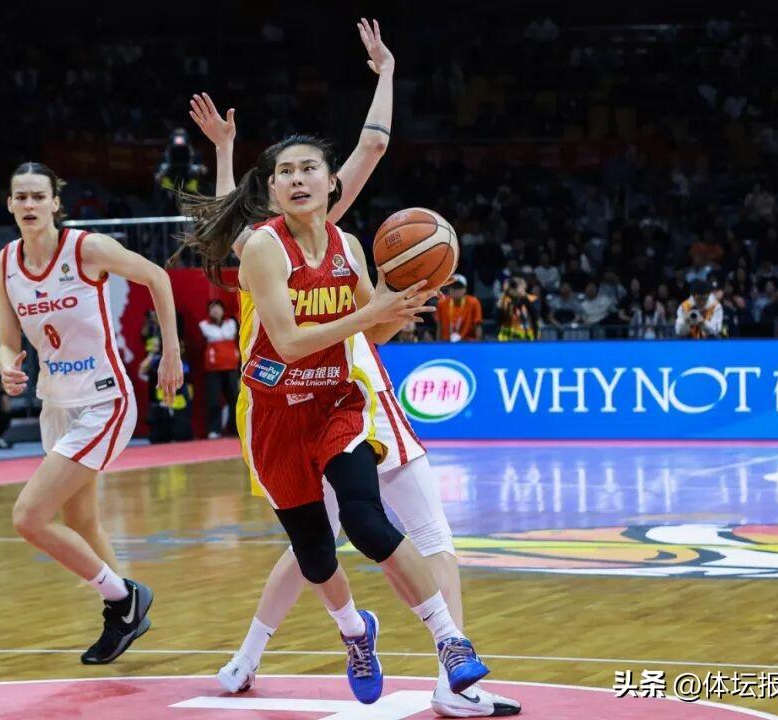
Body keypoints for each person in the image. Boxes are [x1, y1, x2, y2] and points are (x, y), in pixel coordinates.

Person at [186, 20, 516, 716]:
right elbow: (241, 249)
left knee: (368, 521)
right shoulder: (261, 247)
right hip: (273, 405)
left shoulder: (346, 240)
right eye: (285, 173)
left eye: (309, 170)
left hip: (341, 397)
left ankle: (451, 645)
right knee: (312, 550)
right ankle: (345, 632)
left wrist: (402, 308)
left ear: (328, 182)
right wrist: (223, 151)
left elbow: (372, 148)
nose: (299, 180)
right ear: (270, 189)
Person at [0, 162, 183, 665]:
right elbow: (7, 340)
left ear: (56, 203)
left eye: (38, 196)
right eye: (20, 197)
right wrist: (6, 365)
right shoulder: (4, 264)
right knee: (80, 521)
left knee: (29, 517)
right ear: (9, 204)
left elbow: (158, 277)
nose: (29, 205)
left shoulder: (86, 249)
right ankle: (125, 613)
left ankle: (124, 598)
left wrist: (171, 352)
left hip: (104, 400)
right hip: (55, 404)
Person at [138, 336, 193, 443]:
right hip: (161, 404)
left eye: (182, 348)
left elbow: (187, 384)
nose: (181, 350)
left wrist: (188, 402)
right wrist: (152, 354)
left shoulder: (183, 363)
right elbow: (142, 369)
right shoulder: (157, 360)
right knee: (158, 438)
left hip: (179, 404)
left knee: (183, 436)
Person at [198, 299, 239, 438]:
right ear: (209, 311)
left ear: (223, 310)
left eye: (218, 308)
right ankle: (214, 429)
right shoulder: (204, 325)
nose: (215, 311)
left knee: (235, 399)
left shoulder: (232, 323)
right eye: (212, 308)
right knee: (213, 400)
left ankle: (236, 428)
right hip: (213, 369)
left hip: (231, 367)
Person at [435, 274, 482, 342]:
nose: (456, 290)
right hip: (446, 343)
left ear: (465, 289)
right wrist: (438, 344)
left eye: (459, 287)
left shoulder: (473, 302)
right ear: (449, 289)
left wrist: (478, 344)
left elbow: (477, 325)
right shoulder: (442, 303)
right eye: (453, 287)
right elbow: (439, 326)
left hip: (467, 343)